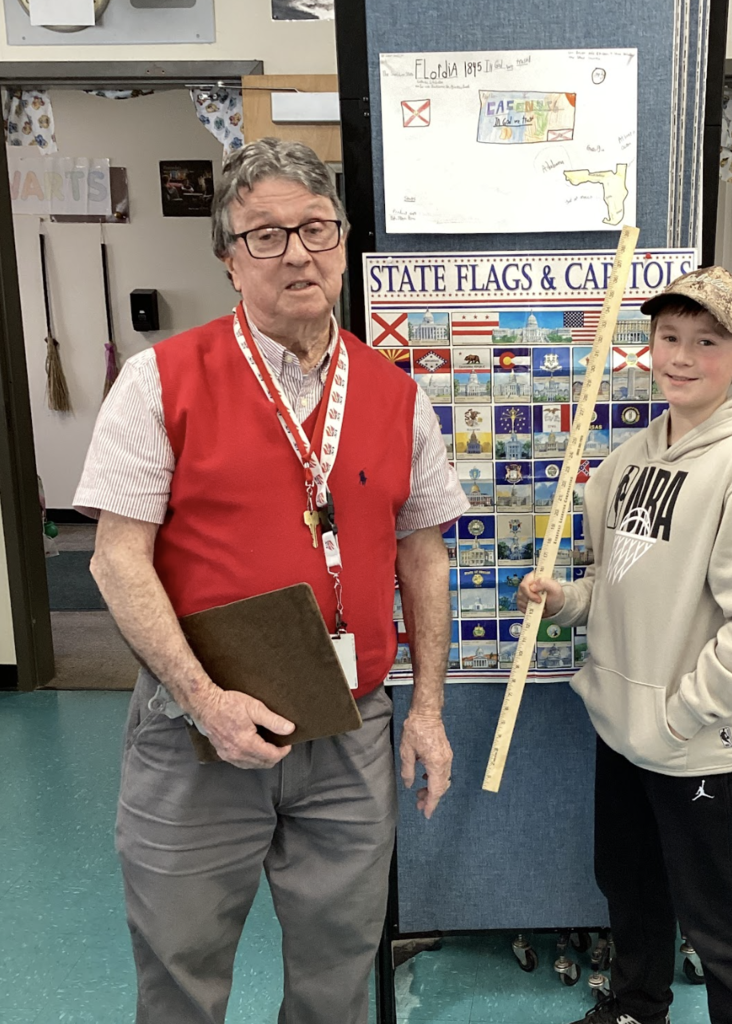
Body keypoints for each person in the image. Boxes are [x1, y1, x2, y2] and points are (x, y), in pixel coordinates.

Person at [75, 138, 469, 1024]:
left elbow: (422, 553)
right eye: (264, 235)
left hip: (351, 728)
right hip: (194, 733)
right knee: (180, 969)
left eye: (316, 229)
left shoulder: (395, 396)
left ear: (343, 242)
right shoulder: (160, 381)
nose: (297, 251)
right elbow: (115, 557)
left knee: (337, 974)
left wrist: (430, 711)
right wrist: (202, 695)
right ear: (227, 258)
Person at [519, 266, 732, 1024]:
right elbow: (621, 586)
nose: (680, 356)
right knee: (629, 885)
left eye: (705, 342)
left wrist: (682, 716)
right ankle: (635, 1007)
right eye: (668, 337)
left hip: (694, 743)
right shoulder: (633, 458)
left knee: (723, 923)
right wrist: (568, 601)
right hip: (621, 727)